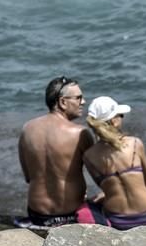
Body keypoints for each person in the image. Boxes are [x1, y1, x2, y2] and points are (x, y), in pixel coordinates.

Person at [18, 76, 93, 227]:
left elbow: (28, 177)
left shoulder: (27, 129)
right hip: (70, 216)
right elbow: (104, 177)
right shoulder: (80, 133)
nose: (83, 102)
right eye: (78, 98)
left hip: (37, 214)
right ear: (63, 102)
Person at [83, 96, 146, 230]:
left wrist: (107, 193)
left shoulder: (88, 156)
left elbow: (106, 186)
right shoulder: (135, 143)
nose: (122, 118)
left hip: (117, 217)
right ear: (114, 121)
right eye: (120, 115)